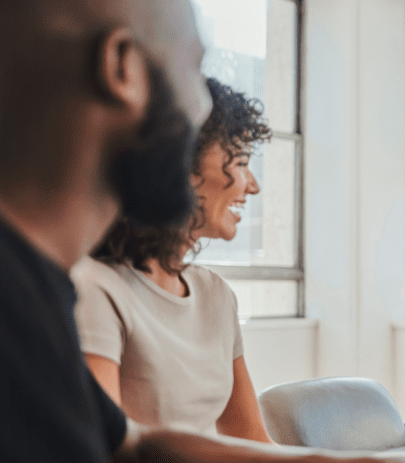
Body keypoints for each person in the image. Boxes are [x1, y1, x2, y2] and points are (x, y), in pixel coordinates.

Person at [0, 1, 405, 462]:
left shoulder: (39, 288)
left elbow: (131, 444)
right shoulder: (37, 298)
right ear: (124, 67)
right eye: (195, 67)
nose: (202, 108)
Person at [73, 77, 273, 443]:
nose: (253, 185)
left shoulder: (216, 295)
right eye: (241, 161)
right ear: (184, 163)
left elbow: (250, 435)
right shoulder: (94, 289)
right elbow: (111, 448)